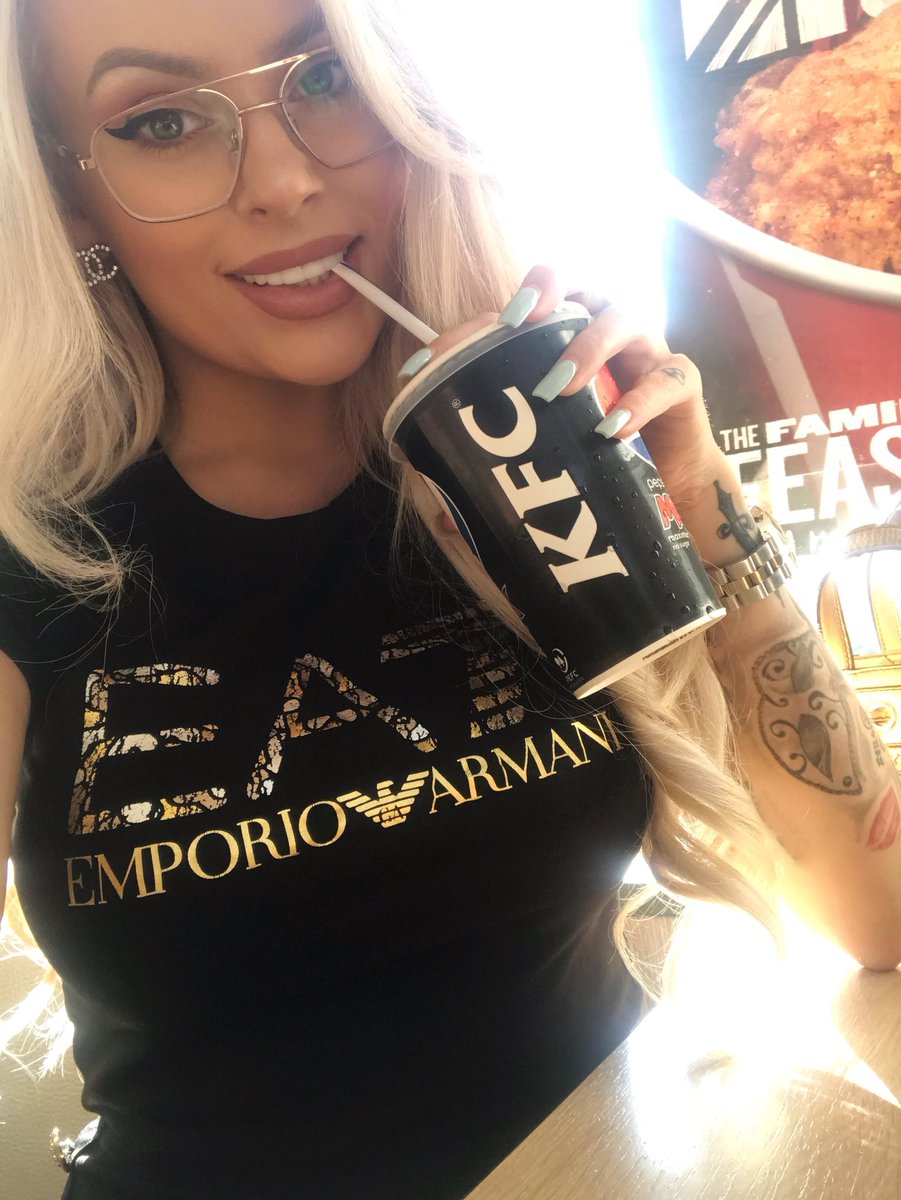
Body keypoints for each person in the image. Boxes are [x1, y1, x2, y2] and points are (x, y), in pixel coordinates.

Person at [0, 0, 899, 1197]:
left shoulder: (521, 472)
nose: (282, 180)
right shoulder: (37, 556)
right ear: (72, 198)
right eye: (160, 120)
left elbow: (878, 914)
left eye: (324, 77)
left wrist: (693, 493)